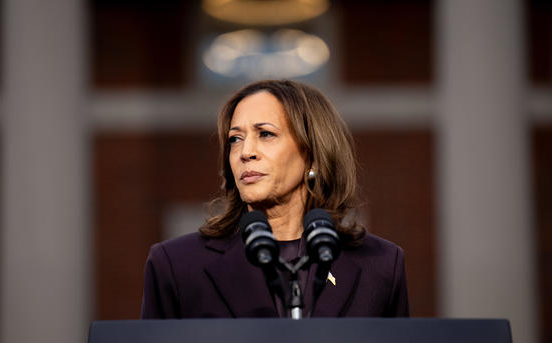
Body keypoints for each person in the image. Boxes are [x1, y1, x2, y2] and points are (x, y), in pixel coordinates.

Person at [141, 80, 408, 319]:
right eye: (235, 139)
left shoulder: (381, 264)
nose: (246, 152)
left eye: (265, 134)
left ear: (312, 153)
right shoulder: (176, 265)